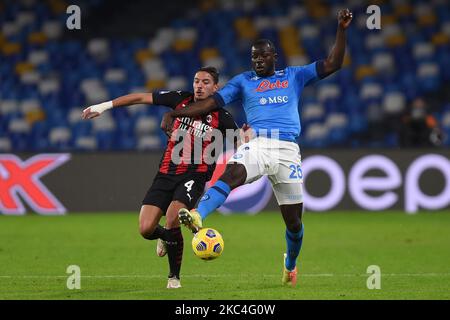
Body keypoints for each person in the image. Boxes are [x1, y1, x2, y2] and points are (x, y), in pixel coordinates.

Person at [161, 9, 353, 287]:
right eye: (254, 57)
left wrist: (342, 29)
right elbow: (210, 104)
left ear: (274, 57)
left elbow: (334, 63)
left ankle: (290, 265)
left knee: (294, 225)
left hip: (287, 150)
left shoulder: (294, 76)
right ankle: (197, 214)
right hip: (260, 143)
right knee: (232, 173)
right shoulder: (243, 81)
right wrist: (176, 114)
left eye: (263, 56)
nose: (258, 60)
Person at [81, 66, 245, 289]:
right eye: (197, 81)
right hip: (166, 173)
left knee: (172, 217)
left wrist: (246, 139)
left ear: (216, 87)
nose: (199, 85)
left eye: (206, 82)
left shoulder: (223, 118)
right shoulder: (180, 99)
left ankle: (173, 277)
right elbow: (139, 97)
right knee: (146, 228)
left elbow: (241, 146)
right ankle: (166, 237)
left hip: (194, 176)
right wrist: (104, 106)